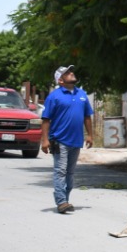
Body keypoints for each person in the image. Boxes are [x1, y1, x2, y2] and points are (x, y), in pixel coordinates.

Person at [39, 65, 94, 214]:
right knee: (60, 171)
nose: (71, 73)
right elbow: (46, 119)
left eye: (71, 71)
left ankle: (65, 200)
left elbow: (87, 116)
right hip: (59, 140)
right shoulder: (54, 96)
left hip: (76, 140)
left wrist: (90, 135)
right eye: (67, 73)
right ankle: (61, 201)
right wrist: (45, 140)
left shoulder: (81, 94)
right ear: (60, 80)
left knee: (70, 173)